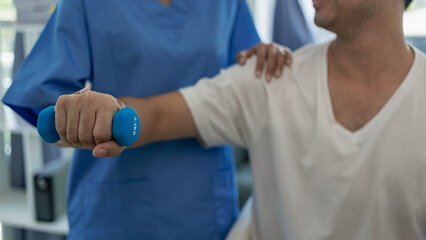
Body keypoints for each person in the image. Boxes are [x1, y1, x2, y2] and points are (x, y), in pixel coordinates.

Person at [45, 0, 426, 239]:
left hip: (204, 213)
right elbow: (157, 115)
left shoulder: (262, 57)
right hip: (113, 213)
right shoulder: (273, 83)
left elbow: (246, 51)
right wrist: (107, 113)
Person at [2, 0, 291, 239]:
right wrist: (78, 118)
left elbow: (245, 81)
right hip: (114, 211)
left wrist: (265, 57)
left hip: (203, 206)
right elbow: (45, 105)